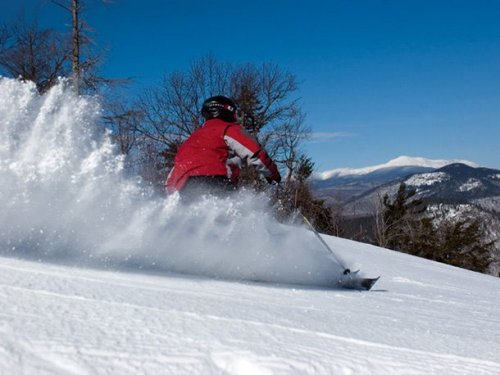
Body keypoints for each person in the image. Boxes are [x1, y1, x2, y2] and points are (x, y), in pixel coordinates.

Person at [166, 95, 281, 198]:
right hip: (215, 181)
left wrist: (171, 198)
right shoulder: (229, 128)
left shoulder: (190, 140)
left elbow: (174, 172)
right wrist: (274, 176)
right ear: (228, 111)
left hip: (184, 188)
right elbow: (255, 152)